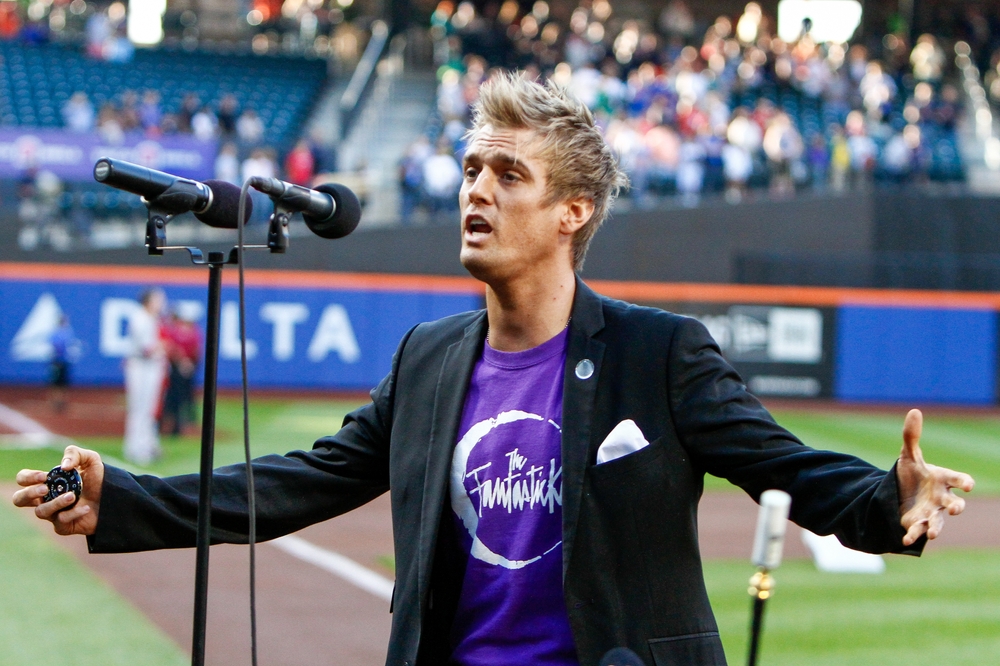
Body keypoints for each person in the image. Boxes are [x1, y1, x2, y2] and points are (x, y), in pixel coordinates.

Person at [13, 74, 974, 666]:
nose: (476, 189)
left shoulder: (659, 354)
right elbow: (303, 481)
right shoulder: (429, 358)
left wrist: (890, 498)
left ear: (574, 212)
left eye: (508, 174)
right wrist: (129, 500)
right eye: (473, 168)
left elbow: (788, 466)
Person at [122, 288, 166, 465]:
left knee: (147, 409)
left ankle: (147, 444)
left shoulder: (150, 318)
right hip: (140, 366)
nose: (161, 303)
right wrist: (164, 346)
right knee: (140, 407)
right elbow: (146, 348)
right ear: (148, 301)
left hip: (149, 366)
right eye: (158, 299)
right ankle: (136, 448)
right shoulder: (140, 317)